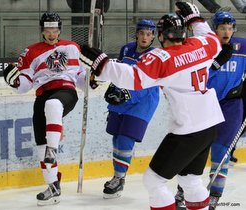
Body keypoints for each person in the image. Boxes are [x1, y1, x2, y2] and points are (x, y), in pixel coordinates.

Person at [79, 2, 225, 209]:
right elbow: (212, 38)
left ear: (162, 36)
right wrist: (195, 18)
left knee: (154, 181)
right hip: (210, 124)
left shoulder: (163, 58)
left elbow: (134, 78)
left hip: (188, 130)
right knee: (190, 180)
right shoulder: (202, 45)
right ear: (183, 32)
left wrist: (101, 64)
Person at [3, 12, 97, 206]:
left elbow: (81, 79)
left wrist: (92, 81)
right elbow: (24, 86)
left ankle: (52, 149)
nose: (51, 33)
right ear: (42, 30)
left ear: (59, 29)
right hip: (42, 94)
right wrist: (13, 82)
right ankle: (53, 186)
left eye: (54, 29)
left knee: (53, 105)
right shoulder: (30, 52)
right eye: (47, 29)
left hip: (65, 91)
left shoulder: (72, 47)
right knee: (40, 148)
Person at [175, 11, 246, 210]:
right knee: (193, 149)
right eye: (222, 28)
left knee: (221, 151)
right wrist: (216, 63)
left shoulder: (243, 46)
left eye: (230, 28)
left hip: (231, 104)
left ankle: (215, 193)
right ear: (214, 29)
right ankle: (183, 191)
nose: (227, 32)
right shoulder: (204, 46)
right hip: (204, 102)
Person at [103, 19, 160, 199]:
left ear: (153, 37)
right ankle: (116, 175)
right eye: (142, 33)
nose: (145, 37)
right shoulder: (126, 49)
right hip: (123, 98)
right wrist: (112, 87)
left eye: (149, 34)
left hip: (144, 100)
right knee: (117, 136)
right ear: (136, 34)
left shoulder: (155, 54)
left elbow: (149, 83)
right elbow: (119, 72)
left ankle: (120, 179)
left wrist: (128, 94)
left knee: (126, 138)